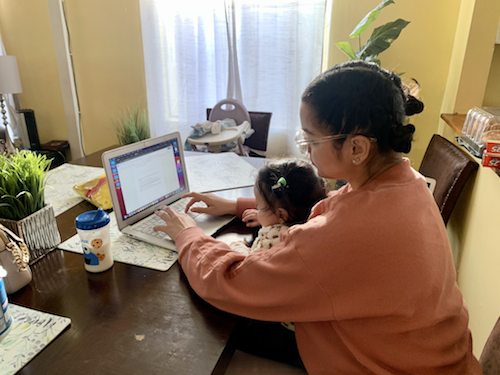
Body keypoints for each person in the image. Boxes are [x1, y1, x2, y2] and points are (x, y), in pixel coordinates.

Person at [154, 60, 481, 374]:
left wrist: (187, 234)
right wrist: (236, 206)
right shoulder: (407, 183)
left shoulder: (349, 235)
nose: (306, 149)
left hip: (381, 365)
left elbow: (229, 282)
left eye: (311, 139)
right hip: (432, 357)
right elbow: (322, 204)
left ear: (357, 148)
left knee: (213, 330)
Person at [229, 158, 326, 256]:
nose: (258, 212)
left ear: (282, 215)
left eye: (260, 207)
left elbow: (248, 264)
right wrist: (269, 217)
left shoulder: (275, 242)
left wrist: (237, 247)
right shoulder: (317, 223)